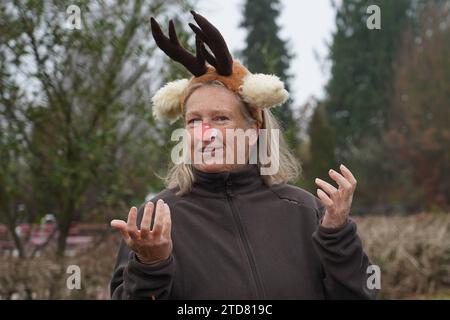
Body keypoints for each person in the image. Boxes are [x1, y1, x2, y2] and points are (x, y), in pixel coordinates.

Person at [109, 11, 377, 300]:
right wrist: (151, 267)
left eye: (221, 118)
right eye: (193, 121)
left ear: (254, 129)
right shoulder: (157, 221)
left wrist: (337, 238)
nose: (204, 133)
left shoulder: (305, 211)